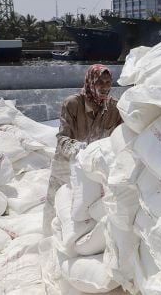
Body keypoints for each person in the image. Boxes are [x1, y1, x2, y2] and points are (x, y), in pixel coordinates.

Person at [43, 64, 123, 235]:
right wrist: (78, 149)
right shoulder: (73, 104)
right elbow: (62, 138)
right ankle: (47, 236)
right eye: (100, 82)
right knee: (56, 204)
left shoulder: (114, 108)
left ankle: (76, 241)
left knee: (84, 211)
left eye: (108, 82)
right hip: (65, 166)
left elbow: (120, 138)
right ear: (90, 82)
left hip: (92, 169)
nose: (105, 87)